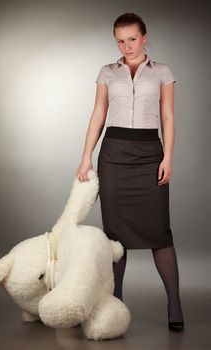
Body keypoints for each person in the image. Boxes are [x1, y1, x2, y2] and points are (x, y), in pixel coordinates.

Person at [75, 12, 184, 332]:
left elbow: (168, 116)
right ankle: (114, 305)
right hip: (114, 155)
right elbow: (98, 114)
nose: (126, 46)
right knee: (115, 237)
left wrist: (168, 157)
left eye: (132, 39)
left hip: (150, 154)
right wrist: (86, 157)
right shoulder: (107, 72)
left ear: (145, 37)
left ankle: (175, 305)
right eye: (120, 40)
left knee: (160, 234)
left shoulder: (162, 72)